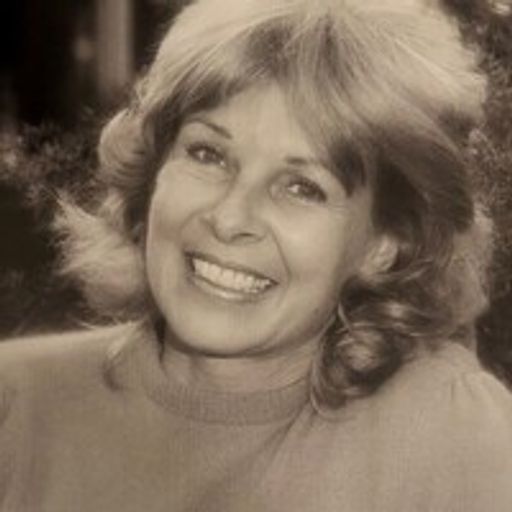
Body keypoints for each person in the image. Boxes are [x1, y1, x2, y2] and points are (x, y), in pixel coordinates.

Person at [1, 0, 512, 510]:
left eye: (302, 187)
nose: (229, 218)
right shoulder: (15, 409)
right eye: (208, 154)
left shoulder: (451, 436)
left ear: (385, 243)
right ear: (152, 170)